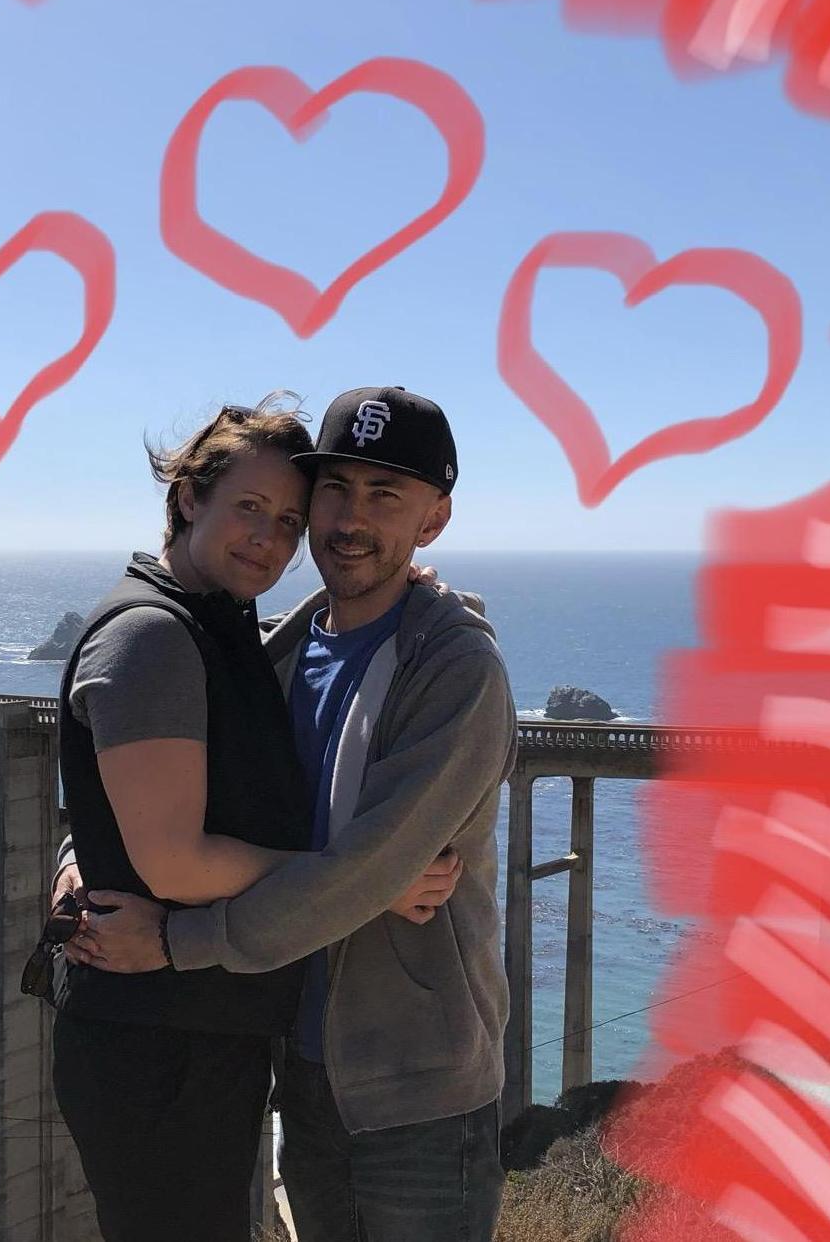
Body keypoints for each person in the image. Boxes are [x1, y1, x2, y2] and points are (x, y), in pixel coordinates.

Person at [57, 386, 518, 1242]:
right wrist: (79, 860)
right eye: (335, 491)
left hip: (410, 1083)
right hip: (293, 1064)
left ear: (435, 519)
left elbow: (364, 870)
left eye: (387, 496)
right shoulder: (276, 650)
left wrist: (176, 939)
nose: (350, 519)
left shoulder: (454, 672)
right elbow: (151, 785)